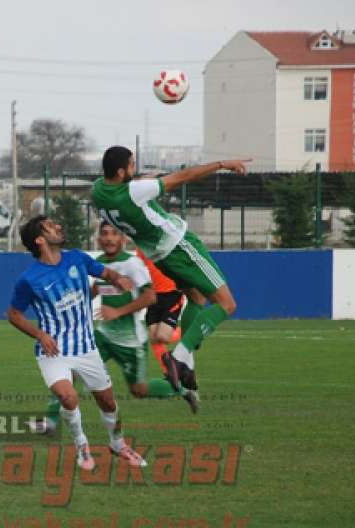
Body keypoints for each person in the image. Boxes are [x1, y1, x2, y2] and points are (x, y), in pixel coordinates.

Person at [91, 146, 249, 412]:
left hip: (160, 257)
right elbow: (184, 176)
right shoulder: (133, 191)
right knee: (226, 304)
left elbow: (132, 188)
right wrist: (222, 162)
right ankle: (179, 357)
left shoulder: (98, 192)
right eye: (131, 165)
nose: (134, 168)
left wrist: (142, 180)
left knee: (196, 298)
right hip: (180, 247)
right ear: (120, 172)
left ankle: (187, 365)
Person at [7, 215, 147, 470]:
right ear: (40, 240)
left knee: (107, 402)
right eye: (51, 226)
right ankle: (81, 445)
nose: (59, 226)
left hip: (86, 348)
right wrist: (40, 334)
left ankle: (118, 444)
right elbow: (14, 315)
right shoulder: (29, 279)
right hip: (54, 352)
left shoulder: (77, 258)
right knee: (68, 396)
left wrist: (118, 280)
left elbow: (104, 272)